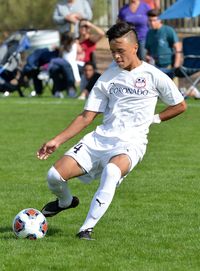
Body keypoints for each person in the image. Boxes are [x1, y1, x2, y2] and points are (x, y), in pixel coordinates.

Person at [37, 21, 186, 240]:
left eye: (120, 51)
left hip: (131, 143)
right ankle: (66, 202)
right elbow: (87, 116)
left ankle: (86, 229)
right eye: (113, 51)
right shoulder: (107, 77)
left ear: (134, 48)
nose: (116, 56)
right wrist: (57, 141)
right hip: (101, 139)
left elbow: (180, 105)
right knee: (54, 176)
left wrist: (155, 119)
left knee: (112, 172)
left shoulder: (154, 76)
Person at [145, 9, 182, 74]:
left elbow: (178, 49)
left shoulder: (168, 30)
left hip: (169, 66)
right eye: (150, 20)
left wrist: (176, 67)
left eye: (154, 20)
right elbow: (148, 52)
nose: (152, 23)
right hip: (155, 67)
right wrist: (148, 58)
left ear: (160, 19)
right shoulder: (149, 33)